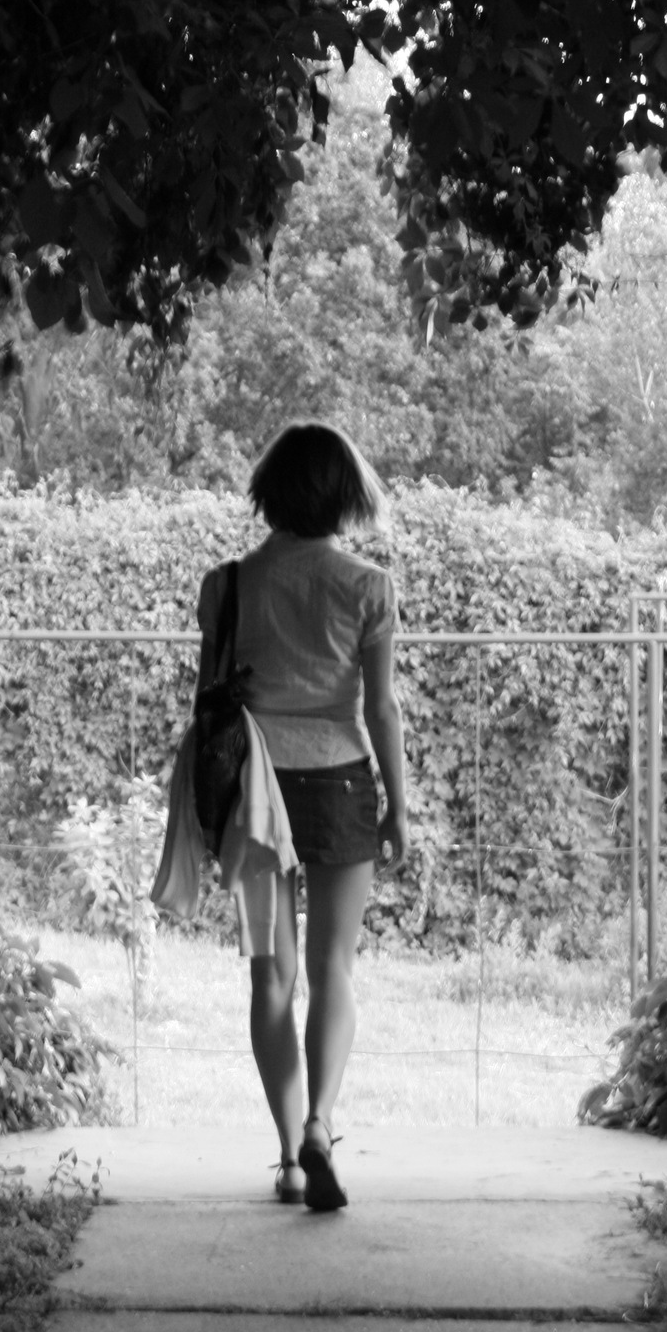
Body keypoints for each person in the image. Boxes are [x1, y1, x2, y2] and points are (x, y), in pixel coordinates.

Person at [195, 422, 408, 1212]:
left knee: (272, 976)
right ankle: (321, 1122)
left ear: (270, 492)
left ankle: (288, 1160)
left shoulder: (225, 586)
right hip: (340, 781)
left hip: (253, 789)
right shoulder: (367, 587)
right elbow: (380, 709)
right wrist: (398, 807)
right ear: (344, 497)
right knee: (333, 970)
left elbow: (208, 703)